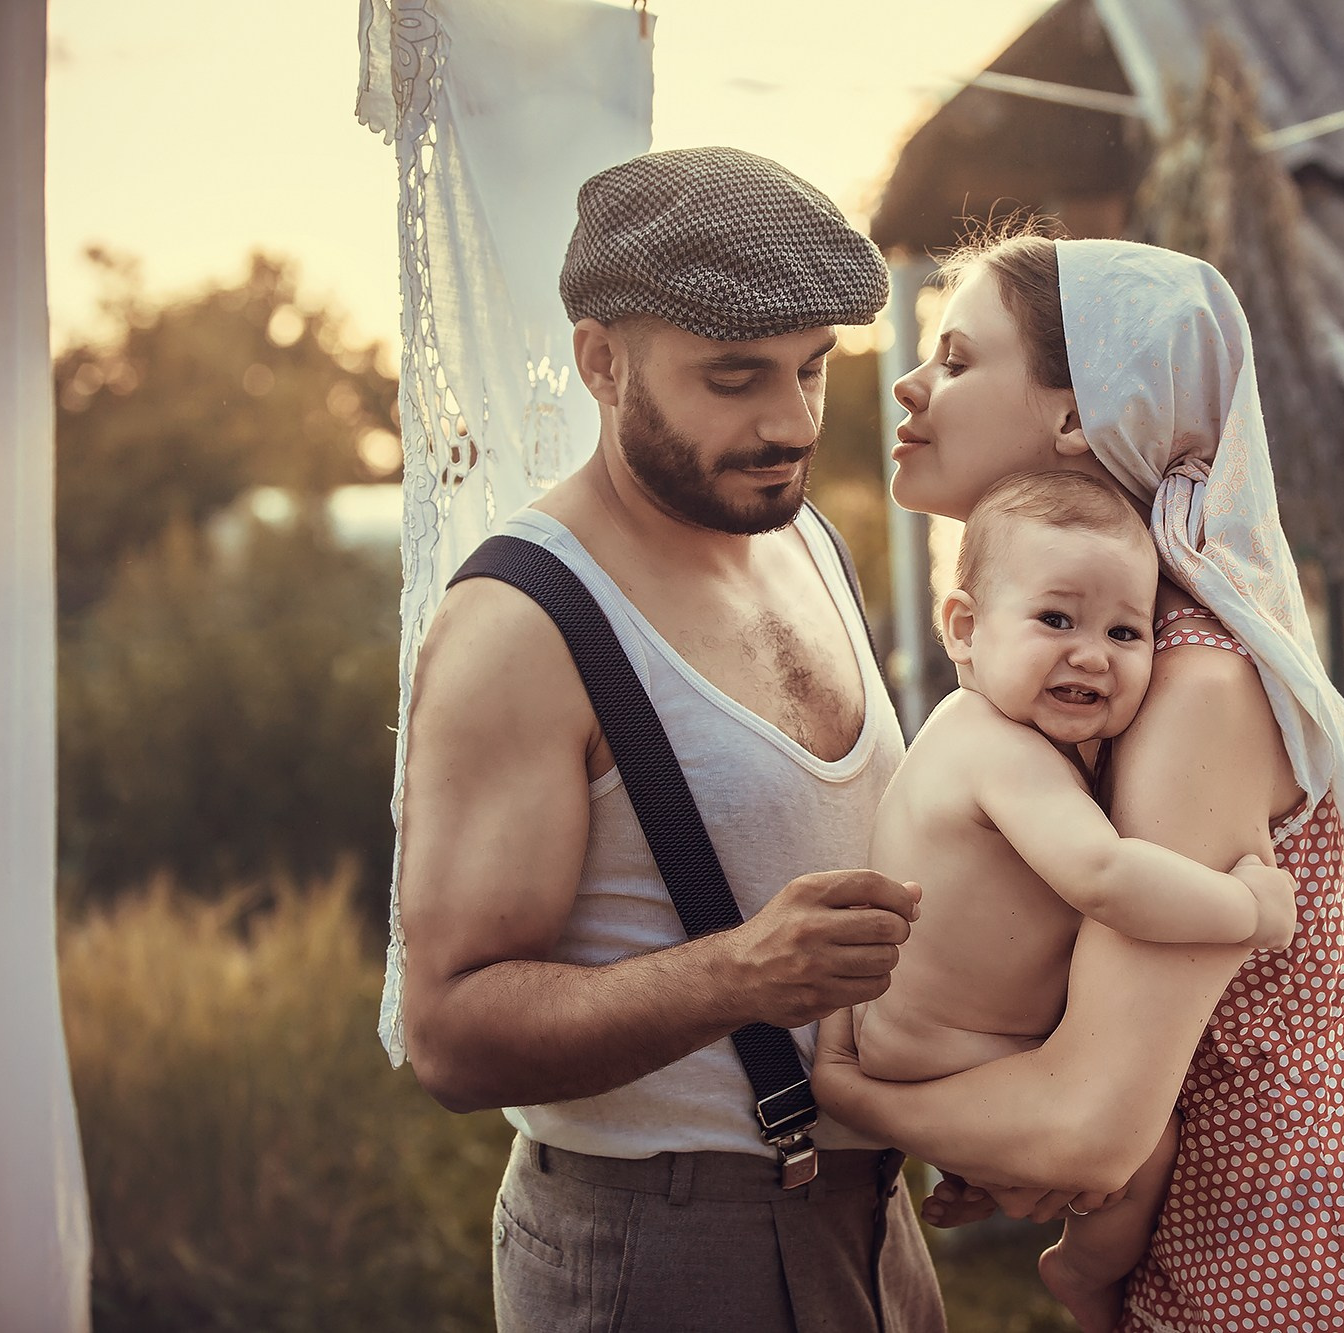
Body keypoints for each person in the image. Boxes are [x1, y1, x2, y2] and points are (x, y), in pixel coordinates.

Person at [812, 233, 1344, 1332]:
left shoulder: (1184, 689)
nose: (907, 384)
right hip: (1240, 1238)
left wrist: (861, 1098)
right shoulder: (1111, 661)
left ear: (1076, 416)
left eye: (955, 360)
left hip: (1310, 1259)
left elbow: (1092, 1126)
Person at [394, 147, 944, 1333]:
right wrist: (741, 975)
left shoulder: (803, 540)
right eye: (735, 377)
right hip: (667, 1247)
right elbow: (449, 1034)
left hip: (872, 1223)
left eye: (812, 370)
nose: (790, 422)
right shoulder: (523, 625)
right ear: (599, 359)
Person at [853, 469, 1298, 1330]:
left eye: (1125, 631)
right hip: (945, 1050)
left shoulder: (1027, 742)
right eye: (1056, 619)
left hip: (950, 1039)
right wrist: (1249, 912)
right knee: (1142, 1144)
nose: (1092, 652)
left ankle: (992, 1176)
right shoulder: (991, 746)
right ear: (967, 630)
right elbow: (1107, 877)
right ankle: (1085, 1277)